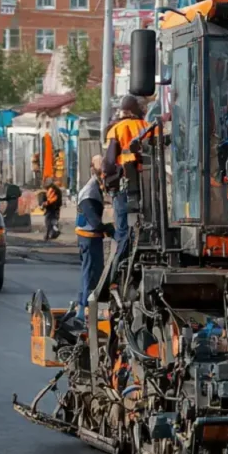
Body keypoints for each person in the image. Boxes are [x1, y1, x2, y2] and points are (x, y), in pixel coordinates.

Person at [102, 95, 148, 258]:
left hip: (123, 184)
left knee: (123, 229)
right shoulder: (147, 126)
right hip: (146, 184)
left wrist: (107, 181)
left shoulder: (117, 129)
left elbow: (109, 162)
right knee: (144, 224)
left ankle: (121, 263)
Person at [74, 155, 112, 320]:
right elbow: (92, 218)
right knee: (89, 273)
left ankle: (88, 307)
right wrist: (106, 228)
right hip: (88, 238)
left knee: (95, 273)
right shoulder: (89, 191)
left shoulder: (95, 187)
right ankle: (83, 311)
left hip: (92, 238)